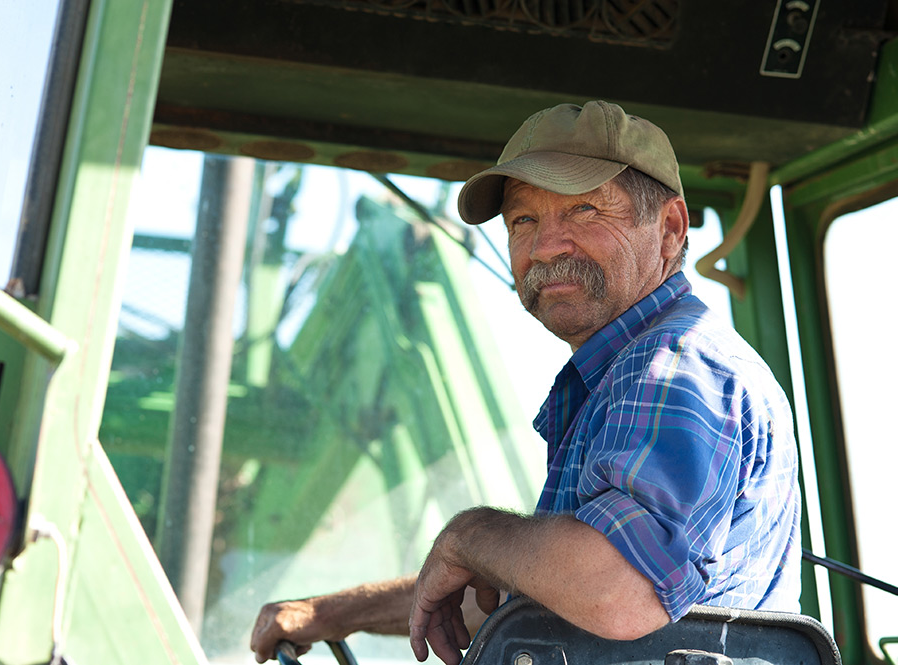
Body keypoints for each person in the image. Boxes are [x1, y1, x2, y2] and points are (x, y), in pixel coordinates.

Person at [250, 101, 801, 665]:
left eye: (585, 210)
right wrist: (333, 615)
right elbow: (539, 600)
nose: (544, 246)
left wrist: (469, 535)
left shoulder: (671, 367)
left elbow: (619, 593)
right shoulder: (619, 376)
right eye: (523, 221)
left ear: (669, 229)